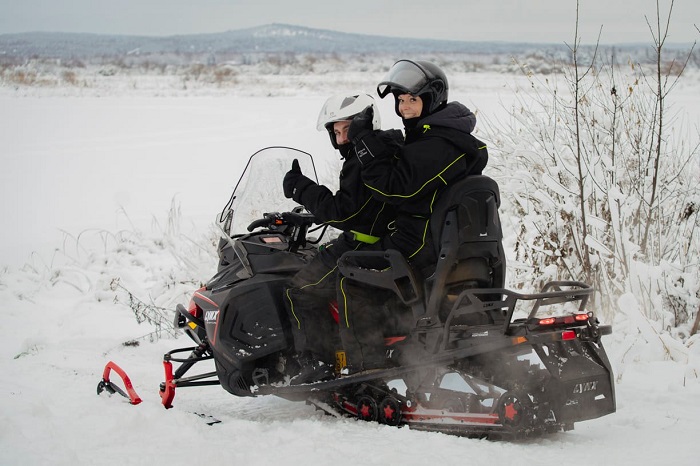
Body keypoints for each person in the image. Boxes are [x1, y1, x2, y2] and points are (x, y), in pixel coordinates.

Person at [337, 59, 489, 375]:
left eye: (412, 100)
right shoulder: (435, 137)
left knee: (350, 276)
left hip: (417, 244)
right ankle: (402, 347)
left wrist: (364, 142)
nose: (404, 107)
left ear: (432, 99)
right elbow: (414, 177)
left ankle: (367, 370)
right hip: (434, 239)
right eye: (400, 100)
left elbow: (394, 190)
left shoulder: (439, 143)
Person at [281, 93, 403, 384]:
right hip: (383, 240)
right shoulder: (386, 147)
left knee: (298, 290)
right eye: (336, 132)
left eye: (347, 129)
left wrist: (302, 189)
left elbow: (346, 212)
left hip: (362, 243)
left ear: (365, 124)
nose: (342, 137)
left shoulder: (363, 158)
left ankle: (316, 363)